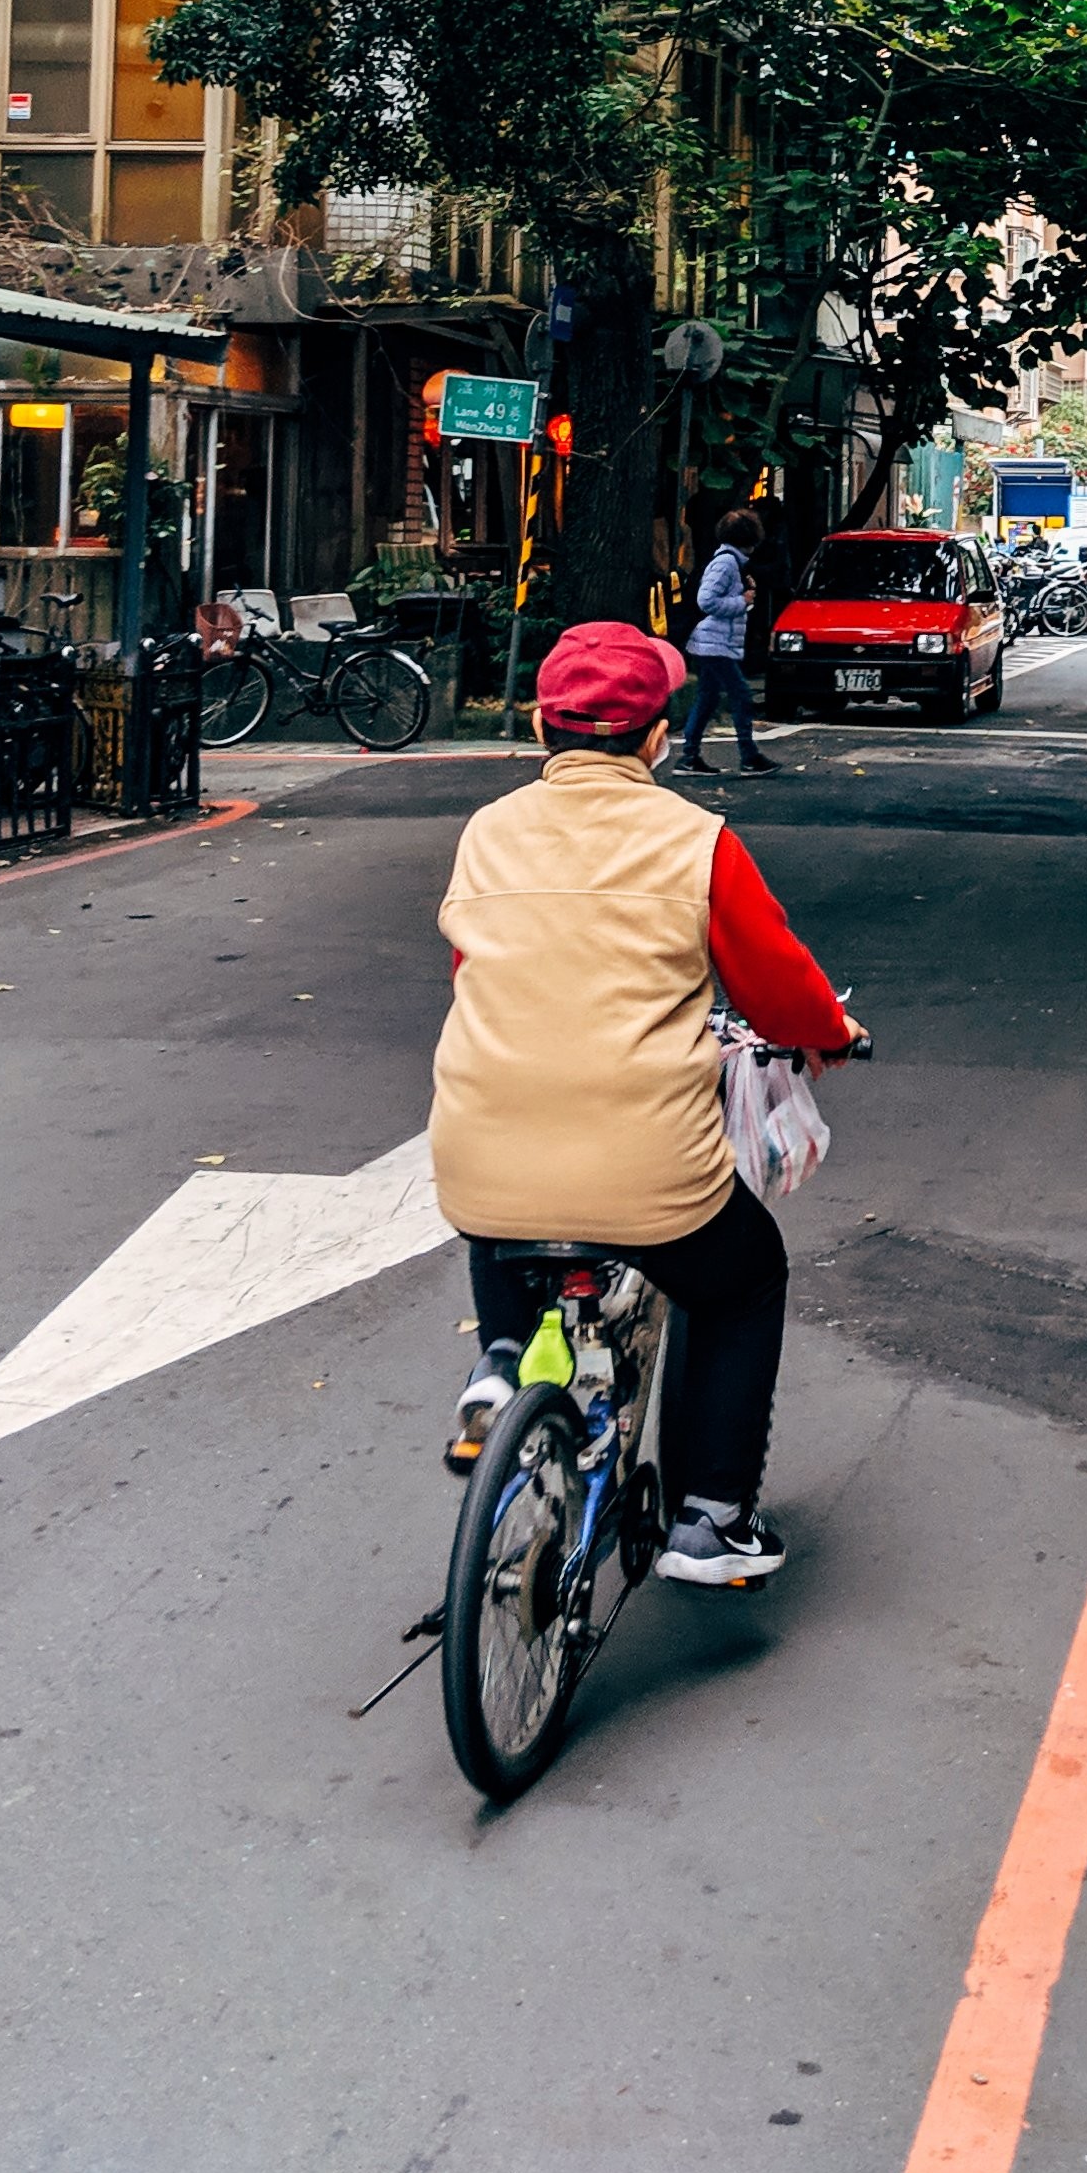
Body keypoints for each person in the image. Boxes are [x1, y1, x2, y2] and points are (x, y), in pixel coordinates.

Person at [430, 616, 861, 1582]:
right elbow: (777, 985)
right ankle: (713, 1518)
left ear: (543, 729)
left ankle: (502, 1361)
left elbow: (473, 970)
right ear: (658, 737)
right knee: (743, 1279)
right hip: (648, 1169)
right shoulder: (694, 841)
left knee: (506, 1193)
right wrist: (830, 1037)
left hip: (478, 1149)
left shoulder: (486, 834)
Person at [677, 508, 773, 774]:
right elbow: (706, 600)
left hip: (714, 642)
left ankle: (689, 756)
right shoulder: (727, 563)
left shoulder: (730, 561)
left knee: (708, 697)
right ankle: (749, 756)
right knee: (741, 695)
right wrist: (740, 602)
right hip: (714, 643)